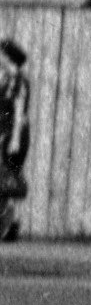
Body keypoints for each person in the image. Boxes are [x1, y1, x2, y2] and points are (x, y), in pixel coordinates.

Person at [0, 36, 30, 240]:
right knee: (5, 180)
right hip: (7, 134)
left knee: (9, 180)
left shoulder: (19, 82)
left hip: (15, 136)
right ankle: (8, 225)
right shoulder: (8, 80)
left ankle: (9, 226)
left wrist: (14, 140)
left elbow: (18, 112)